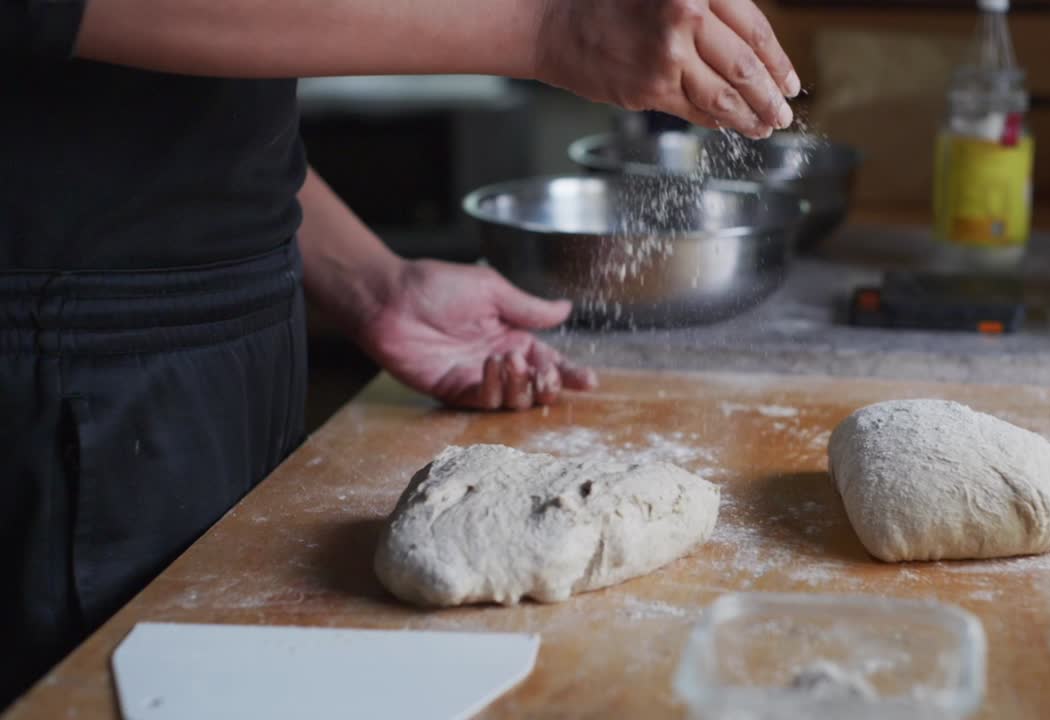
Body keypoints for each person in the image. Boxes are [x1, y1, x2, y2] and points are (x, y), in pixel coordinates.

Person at [0, 0, 800, 707]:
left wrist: (367, 279)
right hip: (72, 366)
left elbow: (171, 112)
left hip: (231, 330)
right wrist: (549, 26)